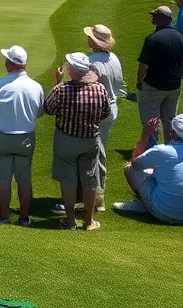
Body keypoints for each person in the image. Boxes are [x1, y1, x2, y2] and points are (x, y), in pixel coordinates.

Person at [42, 52, 111, 231]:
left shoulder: (61, 89)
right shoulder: (100, 89)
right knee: (89, 180)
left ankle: (71, 221)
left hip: (66, 140)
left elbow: (48, 109)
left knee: (68, 180)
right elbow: (105, 113)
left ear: (72, 70)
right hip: (90, 140)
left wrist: (56, 82)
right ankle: (88, 221)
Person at [0, 44, 44, 226]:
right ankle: (24, 218)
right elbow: (39, 113)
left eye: (6, 59)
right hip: (26, 138)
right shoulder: (36, 86)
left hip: (2, 136)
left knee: (3, 178)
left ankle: (4, 216)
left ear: (10, 63)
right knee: (24, 179)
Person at [114, 114, 183, 224]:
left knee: (128, 168)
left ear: (174, 134)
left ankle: (140, 204)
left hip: (165, 212)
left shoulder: (163, 151)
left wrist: (145, 136)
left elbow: (135, 164)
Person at [136, 6, 183, 143]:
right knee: (170, 121)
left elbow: (144, 65)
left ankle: (152, 151)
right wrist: (177, 74)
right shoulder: (181, 37)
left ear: (161, 18)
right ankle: (170, 149)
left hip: (154, 86)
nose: (152, 17)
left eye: (154, 15)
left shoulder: (152, 39)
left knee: (151, 122)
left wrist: (139, 82)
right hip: (174, 87)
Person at [85, 24, 125, 212]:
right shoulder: (114, 58)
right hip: (111, 107)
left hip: (96, 111)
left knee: (92, 152)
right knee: (99, 150)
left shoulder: (91, 61)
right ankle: (97, 194)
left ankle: (95, 196)